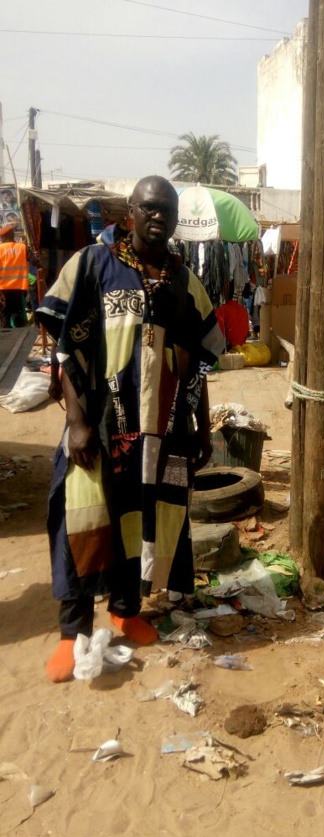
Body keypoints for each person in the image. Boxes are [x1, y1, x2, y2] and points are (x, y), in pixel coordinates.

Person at [36, 176, 225, 683]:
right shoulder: (94, 265)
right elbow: (66, 349)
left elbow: (200, 362)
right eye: (148, 208)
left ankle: (126, 610)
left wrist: (203, 428)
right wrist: (76, 421)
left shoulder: (184, 281)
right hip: (99, 424)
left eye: (166, 209)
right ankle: (71, 632)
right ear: (131, 213)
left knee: (138, 523)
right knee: (82, 519)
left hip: (158, 431)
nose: (157, 217)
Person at [0, 225, 29, 328]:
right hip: (18, 286)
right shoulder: (22, 248)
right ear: (12, 235)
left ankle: (7, 339)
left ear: (4, 237)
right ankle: (19, 336)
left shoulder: (0, 249)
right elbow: (35, 262)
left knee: (4, 313)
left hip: (3, 288)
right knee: (17, 311)